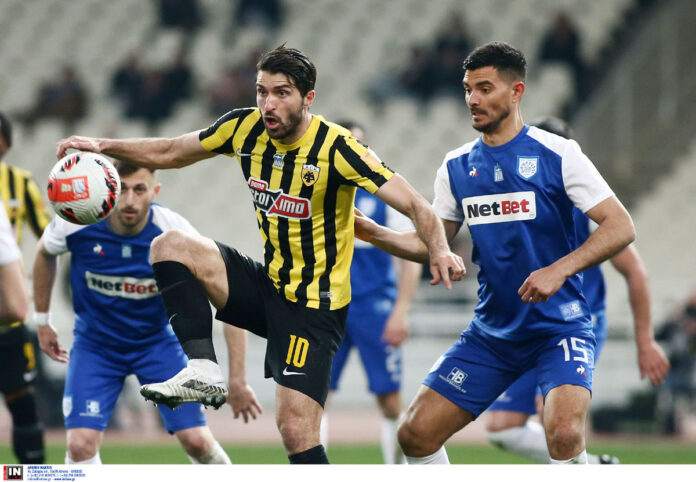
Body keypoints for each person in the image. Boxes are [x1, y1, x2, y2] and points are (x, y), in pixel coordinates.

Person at [55, 44, 464, 464]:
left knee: (295, 432)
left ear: (308, 98)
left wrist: (438, 249)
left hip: (314, 309)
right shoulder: (243, 128)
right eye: (261, 91)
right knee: (169, 245)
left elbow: (416, 205)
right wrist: (101, 145)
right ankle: (203, 369)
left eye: (281, 93)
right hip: (269, 287)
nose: (268, 104)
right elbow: (171, 151)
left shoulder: (338, 148)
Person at [353, 41, 636, 464]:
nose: (473, 99)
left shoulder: (559, 154)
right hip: (493, 333)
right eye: (468, 89)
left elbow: (621, 226)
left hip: (559, 328)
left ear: (516, 91)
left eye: (484, 89)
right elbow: (432, 244)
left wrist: (559, 270)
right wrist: (374, 233)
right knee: (414, 434)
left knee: (563, 432)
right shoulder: (456, 167)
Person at [32, 159, 261, 464]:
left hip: (157, 345)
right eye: (122, 190)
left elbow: (230, 299)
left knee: (197, 441)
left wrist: (238, 380)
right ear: (108, 191)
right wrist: (42, 320)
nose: (129, 200)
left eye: (139, 190)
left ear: (155, 191)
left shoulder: (174, 232)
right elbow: (45, 252)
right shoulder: (78, 221)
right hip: (95, 347)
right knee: (80, 445)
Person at [484, 116, 670, 464]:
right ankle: (597, 467)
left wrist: (645, 341)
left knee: (556, 416)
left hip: (576, 322)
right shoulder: (515, 204)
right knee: (501, 428)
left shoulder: (587, 209)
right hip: (530, 326)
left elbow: (635, 272)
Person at [319, 121, 422, 464]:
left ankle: (396, 469)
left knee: (390, 402)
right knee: (315, 397)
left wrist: (400, 311)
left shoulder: (384, 196)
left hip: (374, 310)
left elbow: (411, 260)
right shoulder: (317, 192)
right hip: (328, 309)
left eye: (358, 144)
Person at [0, 111, 50, 464]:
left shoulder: (19, 183)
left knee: (22, 401)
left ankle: (31, 472)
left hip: (8, 310)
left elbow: (49, 237)